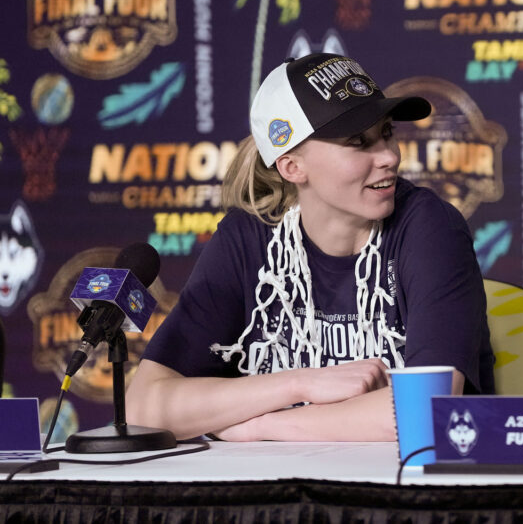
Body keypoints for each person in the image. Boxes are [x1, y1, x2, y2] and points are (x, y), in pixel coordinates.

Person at [127, 53, 494, 441]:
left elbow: (427, 409)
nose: (389, 156)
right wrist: (299, 384)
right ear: (292, 167)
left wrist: (264, 425)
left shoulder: (429, 227)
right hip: (277, 479)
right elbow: (143, 408)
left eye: (387, 132)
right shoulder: (247, 238)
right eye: (358, 142)